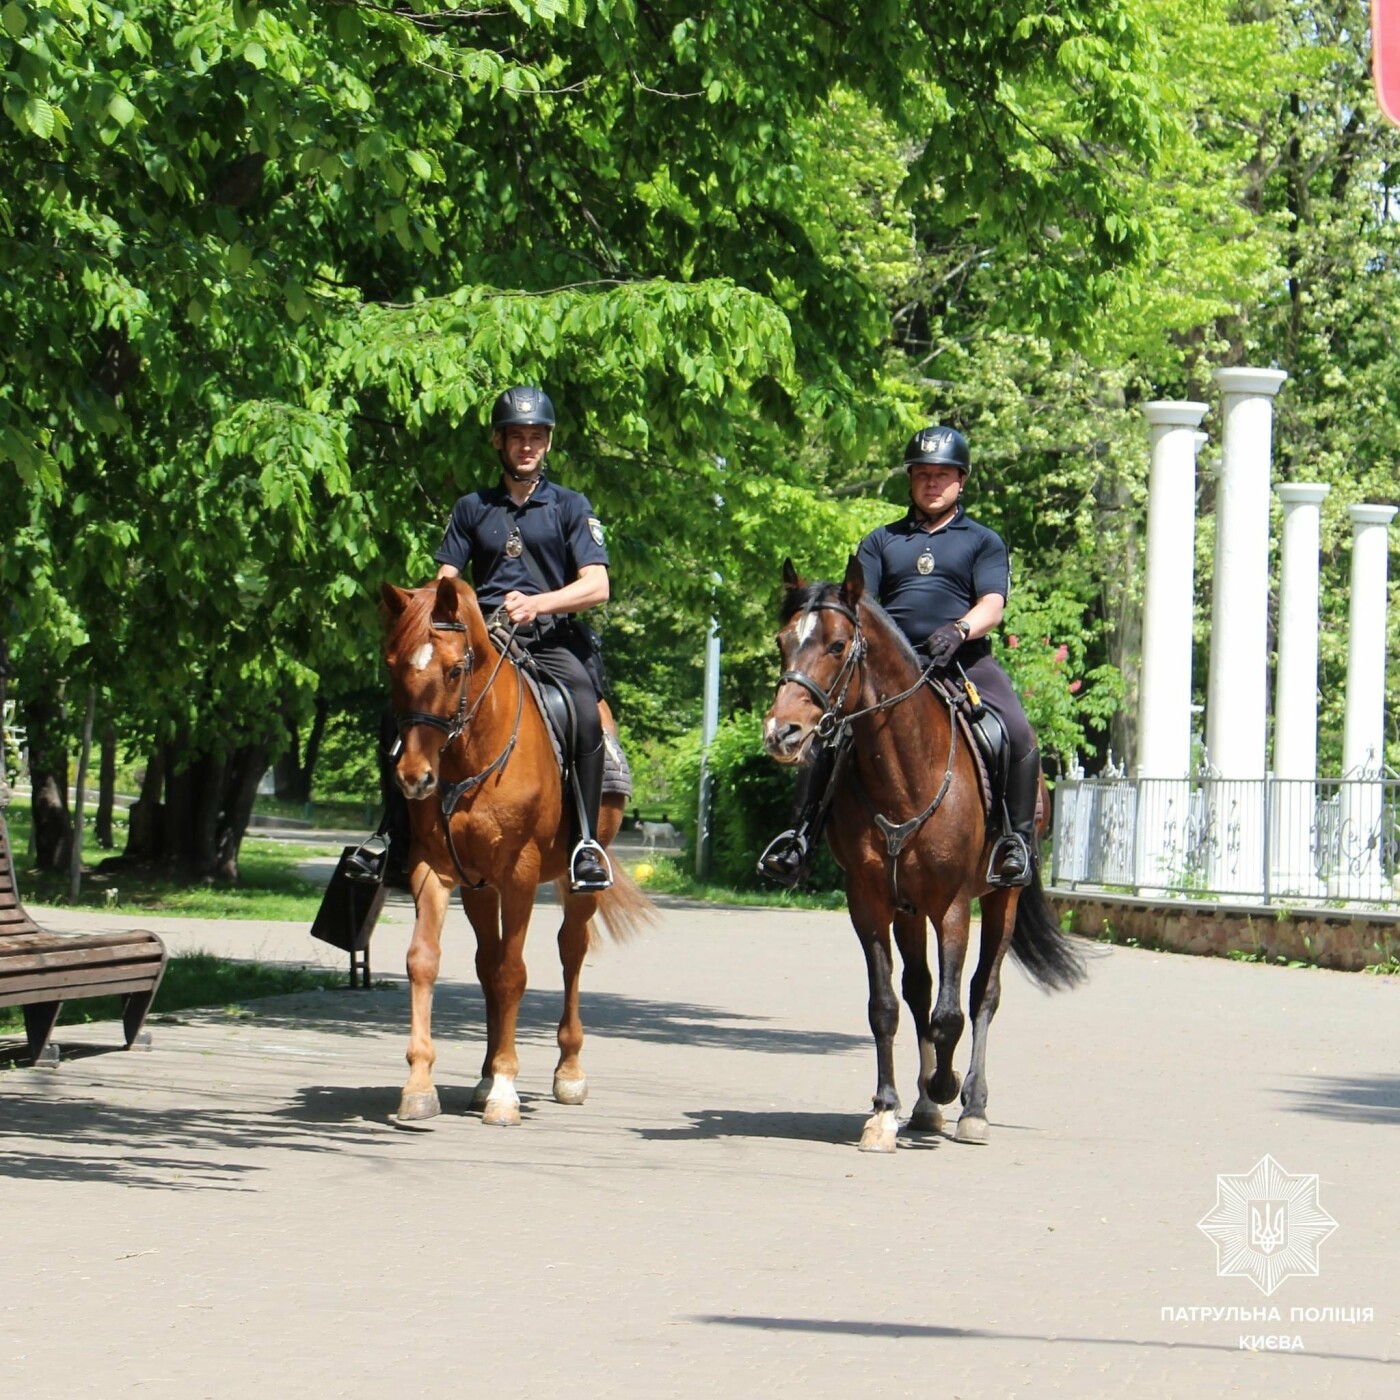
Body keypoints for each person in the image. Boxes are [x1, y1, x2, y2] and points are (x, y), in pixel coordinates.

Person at [759, 425, 1041, 888]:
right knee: (830, 737)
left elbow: (993, 604)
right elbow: (859, 607)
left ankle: (1016, 843)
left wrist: (960, 629)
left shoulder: (983, 540)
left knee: (1015, 730)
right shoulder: (880, 541)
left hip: (963, 660)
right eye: (923, 474)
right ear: (910, 479)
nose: (932, 482)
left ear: (962, 480)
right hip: (888, 669)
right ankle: (799, 837)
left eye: (943, 474)